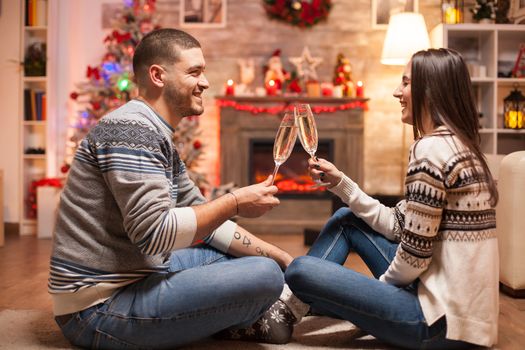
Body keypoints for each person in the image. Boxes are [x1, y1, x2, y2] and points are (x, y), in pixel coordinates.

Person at [49, 28, 297, 349]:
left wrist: (284, 259)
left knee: (240, 259)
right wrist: (234, 202)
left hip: (136, 276)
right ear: (158, 76)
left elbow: (209, 227)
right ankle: (248, 317)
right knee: (263, 275)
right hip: (98, 309)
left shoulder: (156, 132)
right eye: (194, 72)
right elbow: (154, 236)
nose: (205, 82)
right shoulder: (132, 130)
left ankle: (238, 314)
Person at [284, 48, 499, 349]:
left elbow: (413, 255)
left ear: (430, 90)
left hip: (438, 326)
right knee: (347, 220)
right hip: (465, 320)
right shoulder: (462, 147)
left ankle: (283, 312)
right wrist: (341, 184)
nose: (397, 91)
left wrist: (374, 298)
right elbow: (398, 225)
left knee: (299, 271)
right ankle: (293, 309)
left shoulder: (430, 151)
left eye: (406, 83)